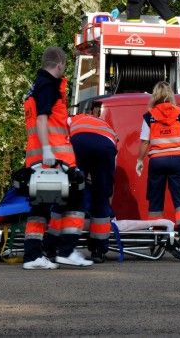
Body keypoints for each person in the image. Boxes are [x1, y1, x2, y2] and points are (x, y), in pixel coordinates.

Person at [22, 46, 93, 269]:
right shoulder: (49, 86)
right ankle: (63, 250)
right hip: (55, 160)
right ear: (60, 64)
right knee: (75, 199)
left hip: (40, 159)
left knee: (41, 208)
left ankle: (37, 255)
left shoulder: (36, 86)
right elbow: (43, 120)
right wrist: (47, 150)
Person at [136, 81, 180, 247]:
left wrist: (140, 160)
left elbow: (144, 142)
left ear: (155, 95)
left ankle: (157, 235)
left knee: (156, 199)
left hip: (157, 161)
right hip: (178, 159)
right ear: (170, 95)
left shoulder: (149, 116)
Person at [68, 103, 118, 264]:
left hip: (79, 141)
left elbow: (62, 145)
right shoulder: (106, 125)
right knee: (102, 197)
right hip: (107, 145)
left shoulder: (72, 120)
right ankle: (98, 250)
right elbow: (112, 163)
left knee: (74, 192)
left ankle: (67, 246)